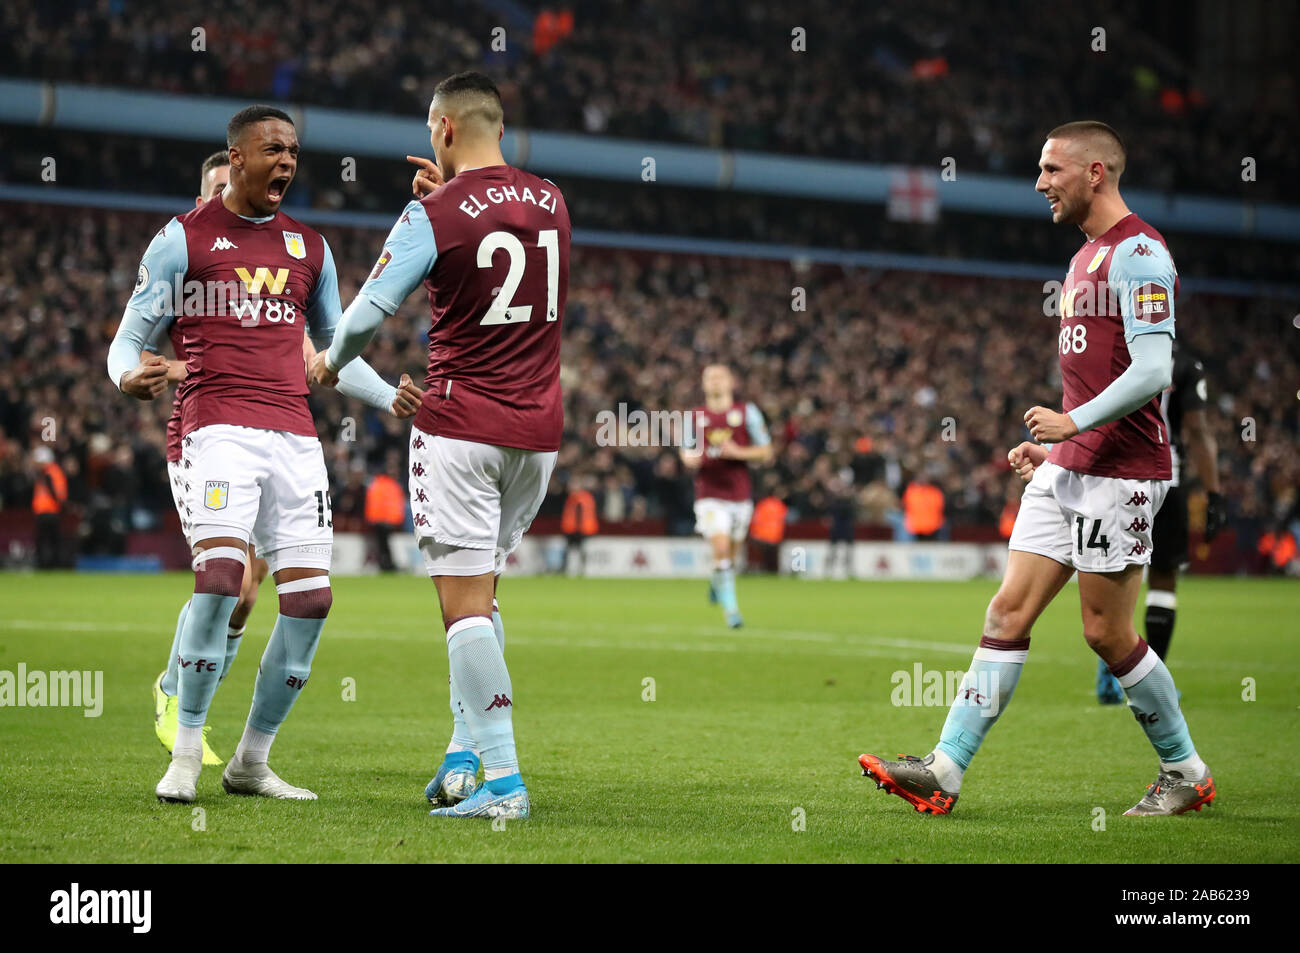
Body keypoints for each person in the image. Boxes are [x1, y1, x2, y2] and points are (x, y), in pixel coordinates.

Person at [859, 121, 1214, 817]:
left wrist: (1073, 425)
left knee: (1106, 632)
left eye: (1052, 169)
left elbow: (1153, 369)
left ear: (1095, 173)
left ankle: (1186, 770)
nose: (1039, 182)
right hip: (1075, 463)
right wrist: (1060, 448)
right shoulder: (1084, 258)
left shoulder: (1139, 253)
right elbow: (1102, 377)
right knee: (1007, 609)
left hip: (1124, 472)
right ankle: (945, 767)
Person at [110, 104, 419, 803]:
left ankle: (251, 759)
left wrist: (386, 396)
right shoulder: (181, 240)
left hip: (296, 438)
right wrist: (127, 374)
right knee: (222, 580)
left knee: (311, 598)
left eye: (293, 151)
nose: (286, 161)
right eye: (272, 149)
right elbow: (128, 338)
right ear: (237, 156)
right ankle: (185, 750)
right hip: (217, 428)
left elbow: (335, 348)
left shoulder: (310, 248)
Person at [312, 71, 570, 820]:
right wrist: (446, 203)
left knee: (461, 608)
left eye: (432, 132)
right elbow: (496, 228)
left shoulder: (433, 213)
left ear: (446, 129)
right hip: (538, 436)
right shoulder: (553, 199)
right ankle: (465, 752)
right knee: (482, 598)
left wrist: (332, 361)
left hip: (461, 427)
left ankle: (505, 780)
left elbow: (364, 315)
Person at [150, 149, 319, 765]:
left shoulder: (274, 259)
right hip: (200, 435)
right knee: (230, 581)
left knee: (248, 596)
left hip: (272, 436)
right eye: (218, 187)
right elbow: (142, 346)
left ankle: (195, 701)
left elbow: (305, 352)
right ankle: (175, 696)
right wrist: (171, 367)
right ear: (204, 196)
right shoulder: (185, 257)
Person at [1096, 342, 1225, 702]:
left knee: (1112, 575)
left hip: (1117, 475)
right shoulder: (1184, 364)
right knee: (1164, 578)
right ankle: (1150, 686)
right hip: (1166, 476)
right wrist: (1214, 495)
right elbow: (1197, 430)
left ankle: (1111, 669)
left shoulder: (1116, 350)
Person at [680, 365, 773, 627]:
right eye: (709, 378)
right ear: (703, 384)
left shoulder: (747, 413)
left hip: (740, 494)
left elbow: (766, 451)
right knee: (720, 548)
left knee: (730, 555)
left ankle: (716, 582)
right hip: (709, 493)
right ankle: (732, 611)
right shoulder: (695, 417)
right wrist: (692, 459)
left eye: (720, 377)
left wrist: (738, 453)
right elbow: (686, 453)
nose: (715, 382)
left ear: (732, 382)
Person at [364, 462, 407, 572]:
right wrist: (396, 519)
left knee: (382, 543)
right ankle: (386, 564)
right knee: (384, 544)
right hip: (385, 520)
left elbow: (373, 503)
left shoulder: (376, 484)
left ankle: (385, 563)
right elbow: (394, 504)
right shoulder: (391, 485)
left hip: (378, 519)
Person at [31, 446, 67, 568]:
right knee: (52, 540)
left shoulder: (50, 473)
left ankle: (48, 565)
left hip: (49, 511)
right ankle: (54, 565)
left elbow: (56, 494)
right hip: (48, 510)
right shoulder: (52, 472)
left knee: (46, 541)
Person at [560, 476, 598, 575]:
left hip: (576, 530)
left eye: (573, 484)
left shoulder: (577, 497)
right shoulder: (586, 496)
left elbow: (579, 514)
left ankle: (570, 570)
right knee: (579, 550)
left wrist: (578, 529)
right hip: (580, 529)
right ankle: (580, 570)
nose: (570, 486)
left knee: (573, 551)